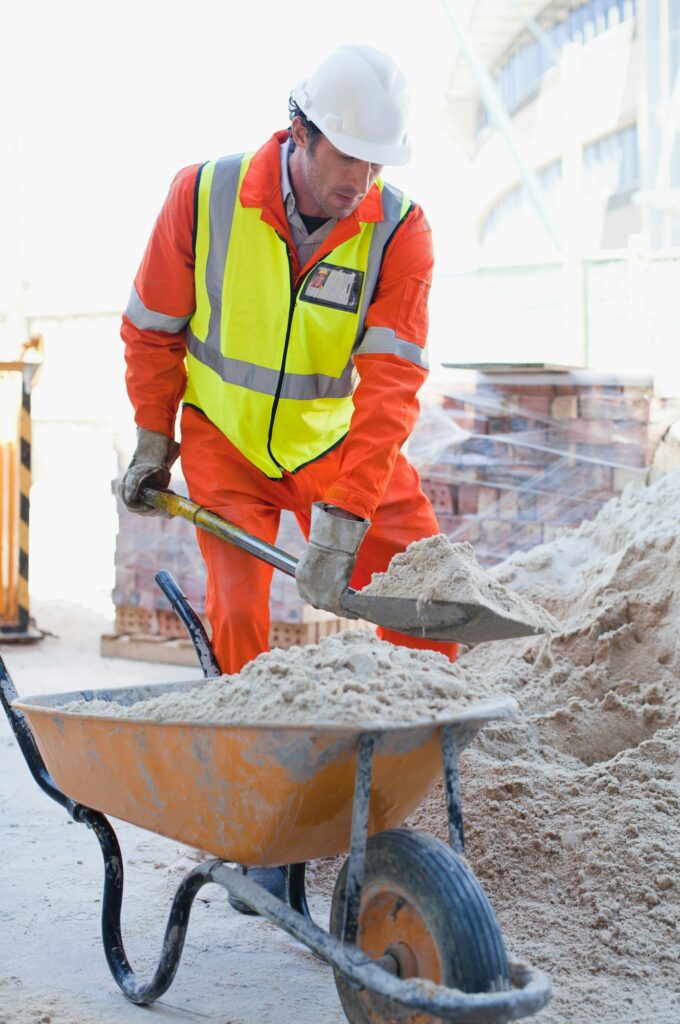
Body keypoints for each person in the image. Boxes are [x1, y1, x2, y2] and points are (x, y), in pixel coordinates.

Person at [118, 44, 457, 911]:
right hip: (227, 447)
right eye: (347, 155)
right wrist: (155, 440)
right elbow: (153, 329)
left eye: (377, 160)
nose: (362, 178)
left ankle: (387, 798)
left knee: (424, 583)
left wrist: (346, 516)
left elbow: (390, 384)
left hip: (331, 448)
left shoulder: (398, 228)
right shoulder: (202, 196)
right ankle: (268, 830)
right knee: (240, 620)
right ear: (299, 134)